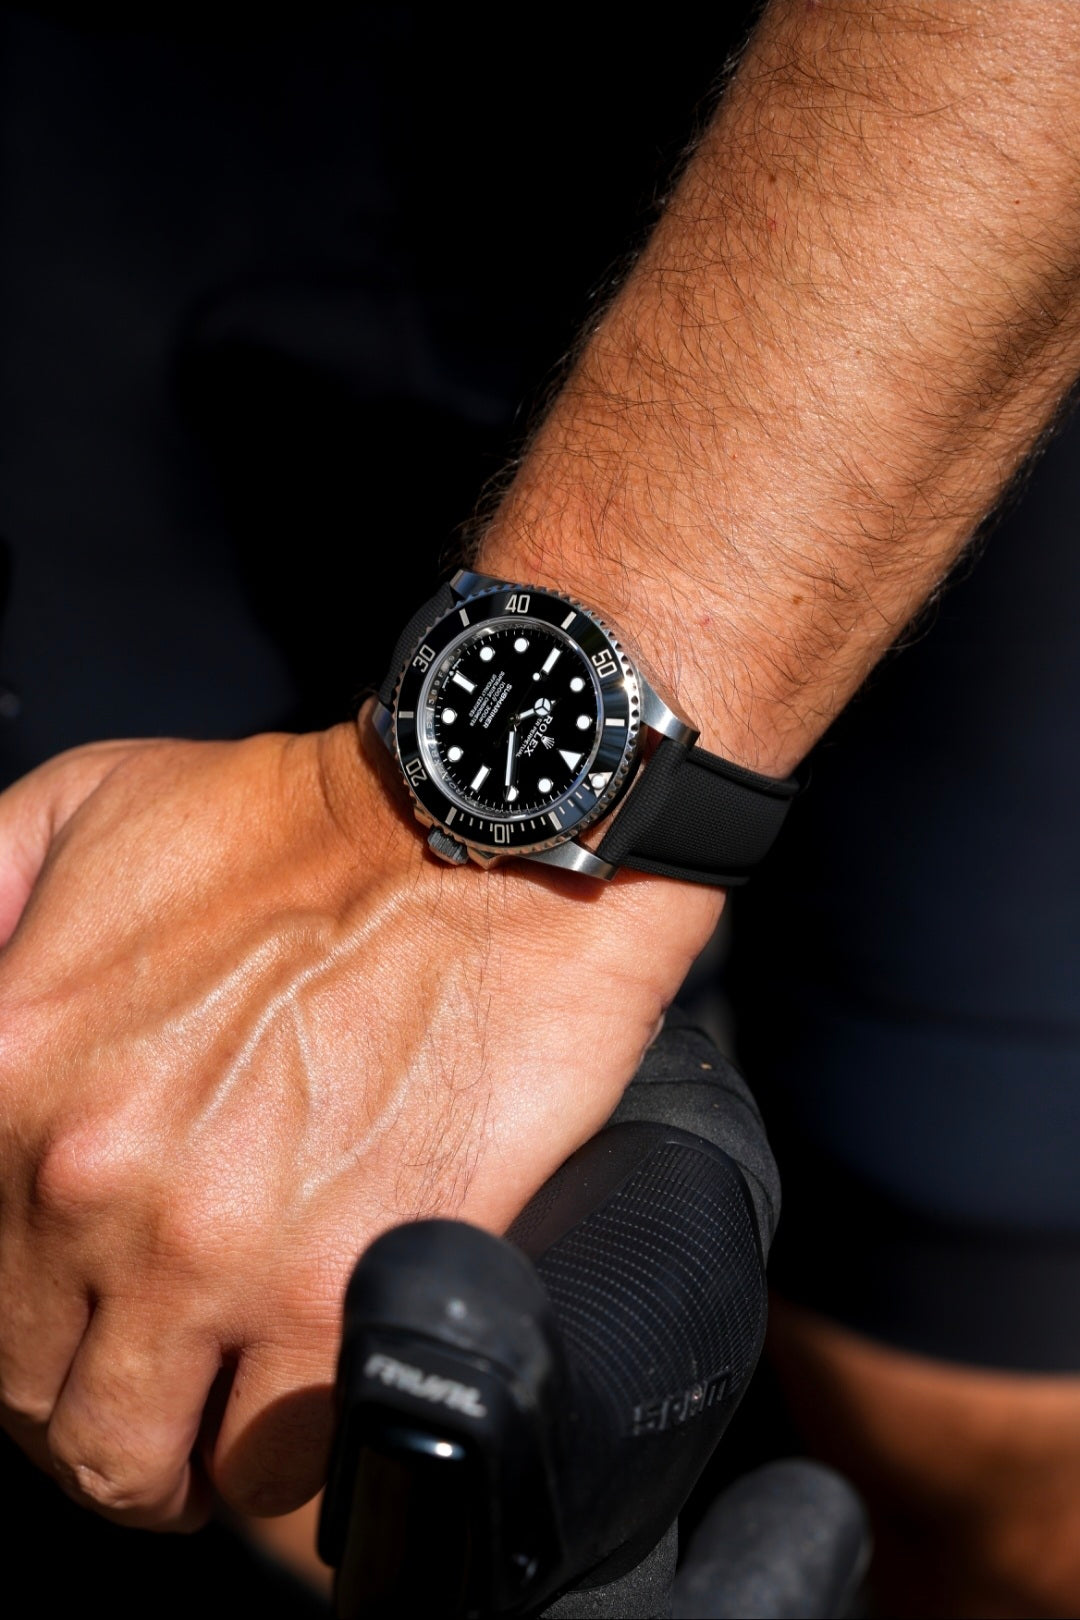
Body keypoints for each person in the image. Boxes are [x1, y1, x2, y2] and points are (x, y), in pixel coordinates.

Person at [1, 3, 1080, 1613]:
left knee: (968, 1416)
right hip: (125, 150)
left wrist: (444, 871)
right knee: (224, 1259)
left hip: (905, 155)